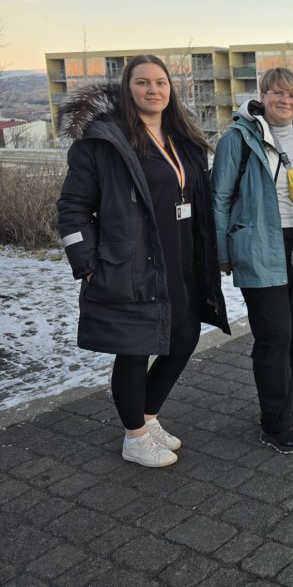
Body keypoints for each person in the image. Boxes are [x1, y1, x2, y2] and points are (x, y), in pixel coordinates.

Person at [57, 55, 229, 467]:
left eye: (161, 82)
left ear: (171, 90)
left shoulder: (182, 138)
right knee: (135, 349)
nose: (153, 90)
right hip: (132, 262)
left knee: (183, 339)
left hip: (184, 260)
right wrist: (87, 262)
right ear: (126, 89)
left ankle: (146, 417)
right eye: (142, 83)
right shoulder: (104, 142)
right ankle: (134, 438)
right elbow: (72, 209)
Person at [212, 67, 293, 454]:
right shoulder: (238, 139)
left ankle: (288, 404)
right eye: (277, 93)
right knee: (274, 335)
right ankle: (274, 422)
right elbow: (220, 198)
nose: (285, 101)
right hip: (259, 245)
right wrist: (222, 252)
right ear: (263, 96)